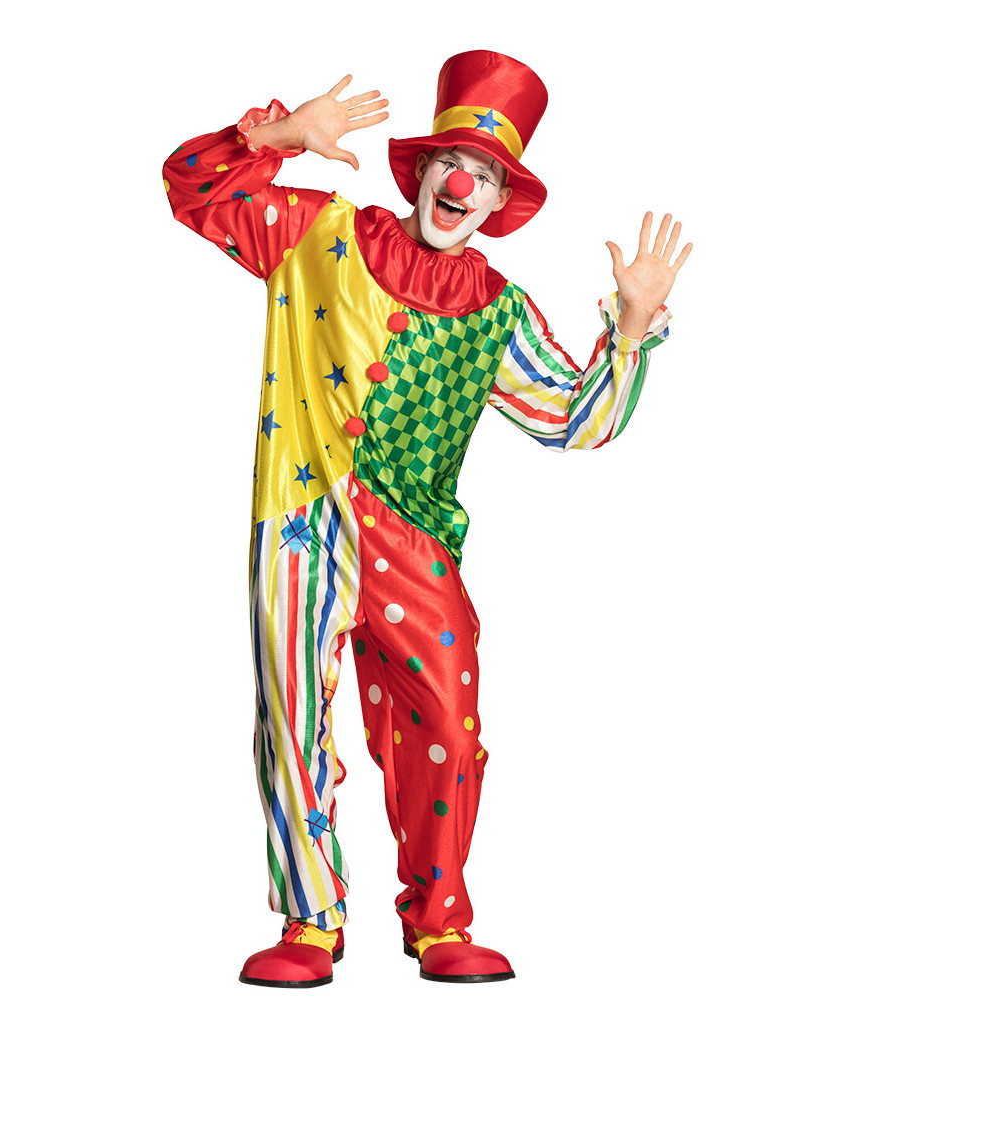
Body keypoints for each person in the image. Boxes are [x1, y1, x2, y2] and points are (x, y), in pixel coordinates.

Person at [163, 51, 692, 987]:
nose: (461, 185)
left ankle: (439, 918)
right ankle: (311, 920)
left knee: (449, 723)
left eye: (484, 175)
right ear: (421, 172)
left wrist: (630, 330)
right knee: (290, 714)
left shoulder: (497, 311)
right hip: (301, 518)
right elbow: (193, 189)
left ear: (499, 202)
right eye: (452, 162)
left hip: (416, 544)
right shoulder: (316, 233)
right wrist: (279, 136)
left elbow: (574, 421)